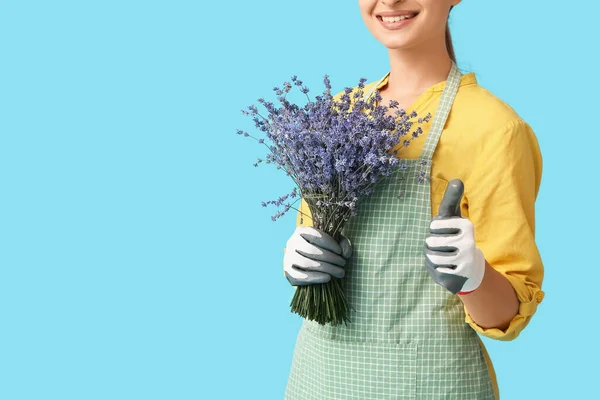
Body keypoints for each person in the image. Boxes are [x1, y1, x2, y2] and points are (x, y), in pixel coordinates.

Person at [282, 1, 545, 399]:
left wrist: (473, 277)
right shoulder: (335, 116)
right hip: (321, 377)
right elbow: (312, 240)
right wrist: (300, 260)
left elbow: (507, 315)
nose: (389, 2)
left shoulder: (495, 130)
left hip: (429, 381)